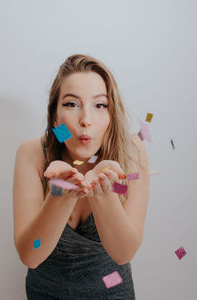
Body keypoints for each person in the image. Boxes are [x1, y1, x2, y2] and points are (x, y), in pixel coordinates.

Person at [13, 53, 150, 299]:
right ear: (55, 117)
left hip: (112, 292)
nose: (85, 120)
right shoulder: (32, 154)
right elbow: (30, 255)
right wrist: (60, 195)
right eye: (71, 104)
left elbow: (124, 252)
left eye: (99, 105)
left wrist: (104, 193)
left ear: (111, 115)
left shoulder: (131, 152)